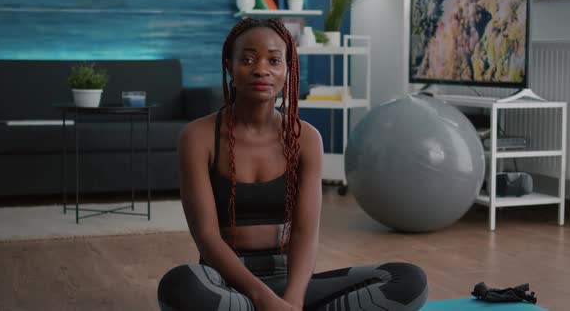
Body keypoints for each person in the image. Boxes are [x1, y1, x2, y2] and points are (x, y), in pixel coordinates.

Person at [157, 18, 428, 311]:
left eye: (274, 60)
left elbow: (304, 232)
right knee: (180, 285)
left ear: (288, 71)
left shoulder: (307, 139)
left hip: (290, 282)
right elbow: (206, 236)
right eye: (247, 59)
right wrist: (263, 300)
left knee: (408, 280)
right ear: (230, 68)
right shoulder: (198, 137)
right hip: (225, 282)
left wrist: (293, 300)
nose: (261, 69)